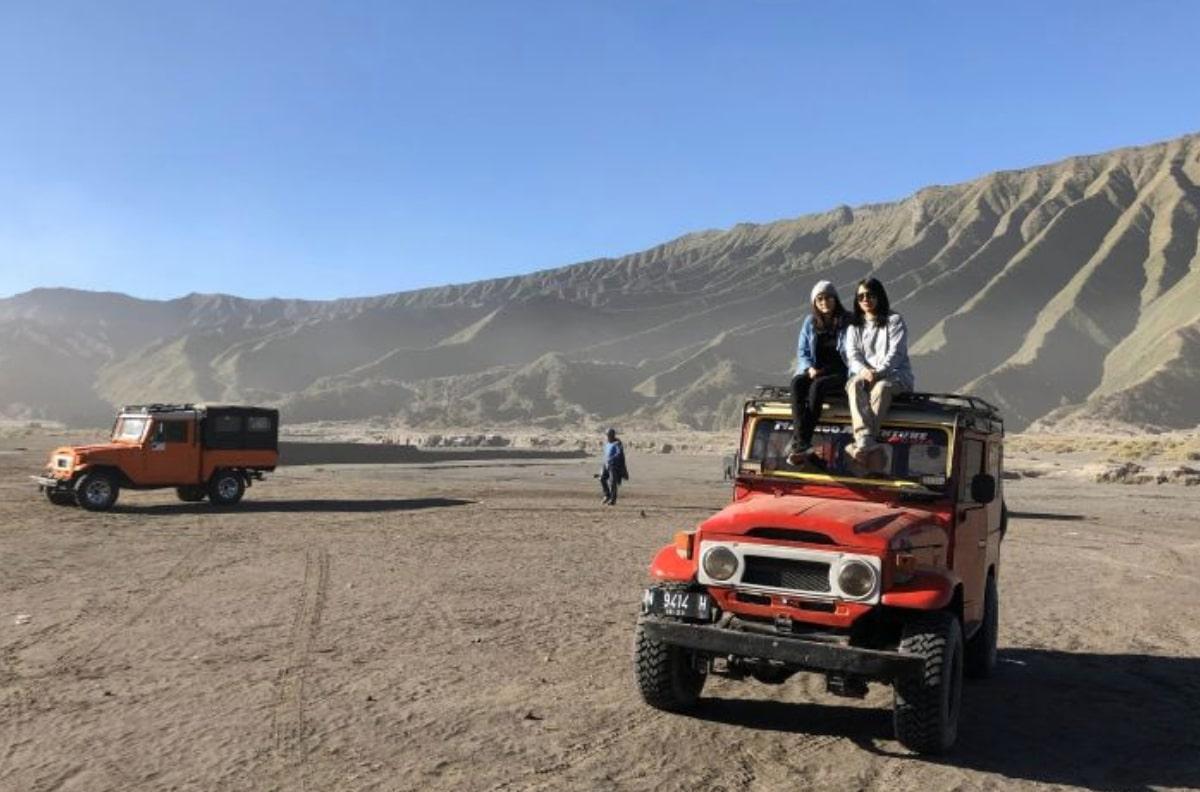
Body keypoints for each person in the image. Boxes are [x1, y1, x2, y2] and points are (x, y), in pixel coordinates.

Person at [844, 277, 914, 461]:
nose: (865, 299)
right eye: (861, 296)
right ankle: (864, 437)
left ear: (879, 296)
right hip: (865, 375)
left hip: (896, 376)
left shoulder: (894, 320)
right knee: (853, 385)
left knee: (881, 388)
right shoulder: (853, 326)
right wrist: (864, 371)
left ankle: (862, 443)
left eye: (870, 295)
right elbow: (852, 355)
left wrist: (878, 373)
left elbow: (896, 353)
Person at [788, 280, 850, 465]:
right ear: (814, 302)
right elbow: (802, 351)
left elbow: (854, 350)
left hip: (841, 371)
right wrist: (809, 368)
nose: (824, 302)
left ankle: (801, 442)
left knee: (817, 387)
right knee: (797, 383)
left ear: (835, 299)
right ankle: (802, 443)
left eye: (828, 297)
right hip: (816, 369)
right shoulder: (810, 322)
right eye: (820, 299)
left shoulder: (847, 321)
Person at [600, 428, 629, 505]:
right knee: (602, 479)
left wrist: (612, 458)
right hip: (606, 465)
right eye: (607, 435)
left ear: (612, 435)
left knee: (613, 482)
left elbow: (619, 454)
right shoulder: (607, 443)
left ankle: (613, 500)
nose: (607, 437)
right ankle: (607, 495)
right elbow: (606, 454)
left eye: (608, 435)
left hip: (613, 466)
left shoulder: (617, 443)